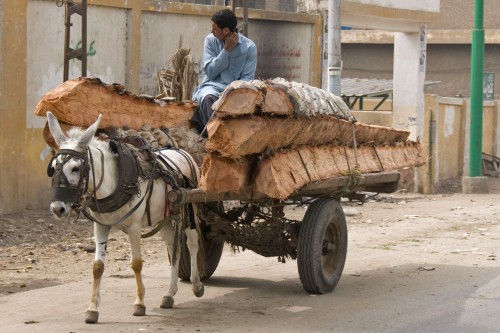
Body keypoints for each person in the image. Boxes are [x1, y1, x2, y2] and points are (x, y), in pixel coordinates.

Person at [192, 8, 257, 136]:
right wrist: (226, 50)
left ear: (226, 30)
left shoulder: (249, 47)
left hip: (235, 91)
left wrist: (231, 94)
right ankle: (218, 138)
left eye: (215, 28)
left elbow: (247, 79)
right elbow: (210, 72)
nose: (212, 31)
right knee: (208, 98)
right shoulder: (210, 40)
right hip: (212, 87)